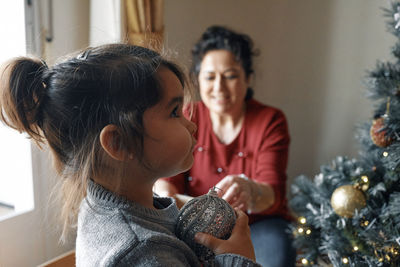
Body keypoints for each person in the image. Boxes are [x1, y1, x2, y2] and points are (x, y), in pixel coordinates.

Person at [0, 44, 262, 266]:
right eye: (174, 112)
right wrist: (240, 259)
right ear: (118, 142)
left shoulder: (105, 206)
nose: (192, 125)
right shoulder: (145, 252)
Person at [154, 26, 296, 267]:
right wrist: (168, 196)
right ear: (198, 79)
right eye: (210, 77)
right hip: (194, 222)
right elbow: (167, 180)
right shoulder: (187, 115)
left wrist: (251, 190)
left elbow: (273, 194)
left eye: (230, 76)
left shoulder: (270, 120)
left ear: (248, 78)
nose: (219, 87)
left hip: (258, 224)